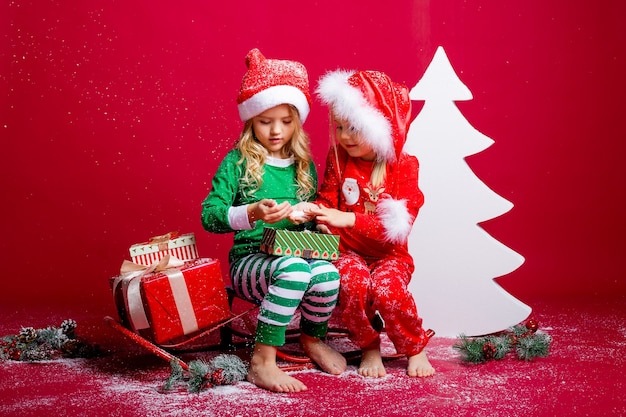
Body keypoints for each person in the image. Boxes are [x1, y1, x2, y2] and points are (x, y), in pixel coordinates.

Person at [200, 49, 346, 393]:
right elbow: (210, 216)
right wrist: (252, 213)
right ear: (251, 121)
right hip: (250, 262)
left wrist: (316, 221)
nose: (276, 130)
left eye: (286, 120)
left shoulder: (302, 164)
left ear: (298, 120)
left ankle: (312, 339)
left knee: (327, 275)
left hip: (296, 253)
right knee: (294, 271)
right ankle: (262, 361)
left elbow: (307, 222)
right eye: (265, 121)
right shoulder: (237, 163)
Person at [306, 69, 435, 378]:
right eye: (339, 126)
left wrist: (347, 217)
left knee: (388, 290)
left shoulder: (403, 167)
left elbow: (391, 233)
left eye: (354, 127)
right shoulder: (338, 157)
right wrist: (320, 215)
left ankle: (414, 347)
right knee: (353, 284)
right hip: (348, 252)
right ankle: (369, 346)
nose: (344, 136)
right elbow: (327, 198)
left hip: (389, 256)